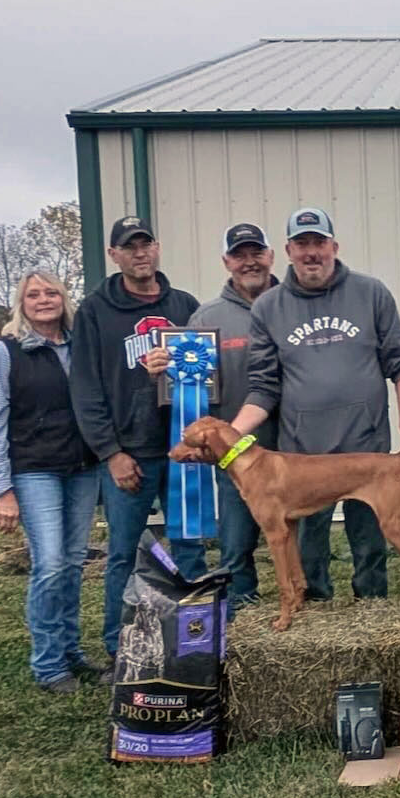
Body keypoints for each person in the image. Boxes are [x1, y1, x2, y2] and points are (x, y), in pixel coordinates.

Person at [230, 207, 400, 600]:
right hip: (303, 453)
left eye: (318, 242)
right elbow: (264, 386)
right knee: (310, 546)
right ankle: (314, 605)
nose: (311, 252)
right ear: (287, 251)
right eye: (302, 244)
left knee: (370, 542)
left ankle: (372, 607)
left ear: (334, 246)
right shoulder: (268, 307)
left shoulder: (371, 292)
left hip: (363, 445)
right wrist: (229, 436)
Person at [70, 216, 207, 666]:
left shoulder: (185, 304)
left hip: (183, 449)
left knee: (190, 544)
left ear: (158, 247)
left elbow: (209, 376)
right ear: (114, 255)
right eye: (129, 247)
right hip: (130, 454)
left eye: (146, 244)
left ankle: (198, 642)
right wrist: (110, 453)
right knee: (124, 554)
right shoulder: (95, 310)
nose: (140, 252)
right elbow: (86, 388)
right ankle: (118, 646)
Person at [146, 223, 279, 615]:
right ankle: (242, 628)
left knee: (306, 545)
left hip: (295, 449)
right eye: (239, 254)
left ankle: (313, 617)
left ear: (271, 256)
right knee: (235, 548)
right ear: (226, 261)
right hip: (236, 457)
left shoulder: (296, 304)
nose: (249, 261)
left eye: (256, 252)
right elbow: (190, 391)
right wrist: (165, 371)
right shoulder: (206, 317)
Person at [0, 272, 100, 693]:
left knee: (71, 563)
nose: (43, 300)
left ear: (64, 299)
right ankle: (48, 665)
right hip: (34, 471)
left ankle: (71, 652)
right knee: (48, 564)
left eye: (52, 292)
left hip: (83, 469)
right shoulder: (6, 352)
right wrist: (2, 489)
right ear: (21, 303)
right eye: (33, 294)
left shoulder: (81, 346)